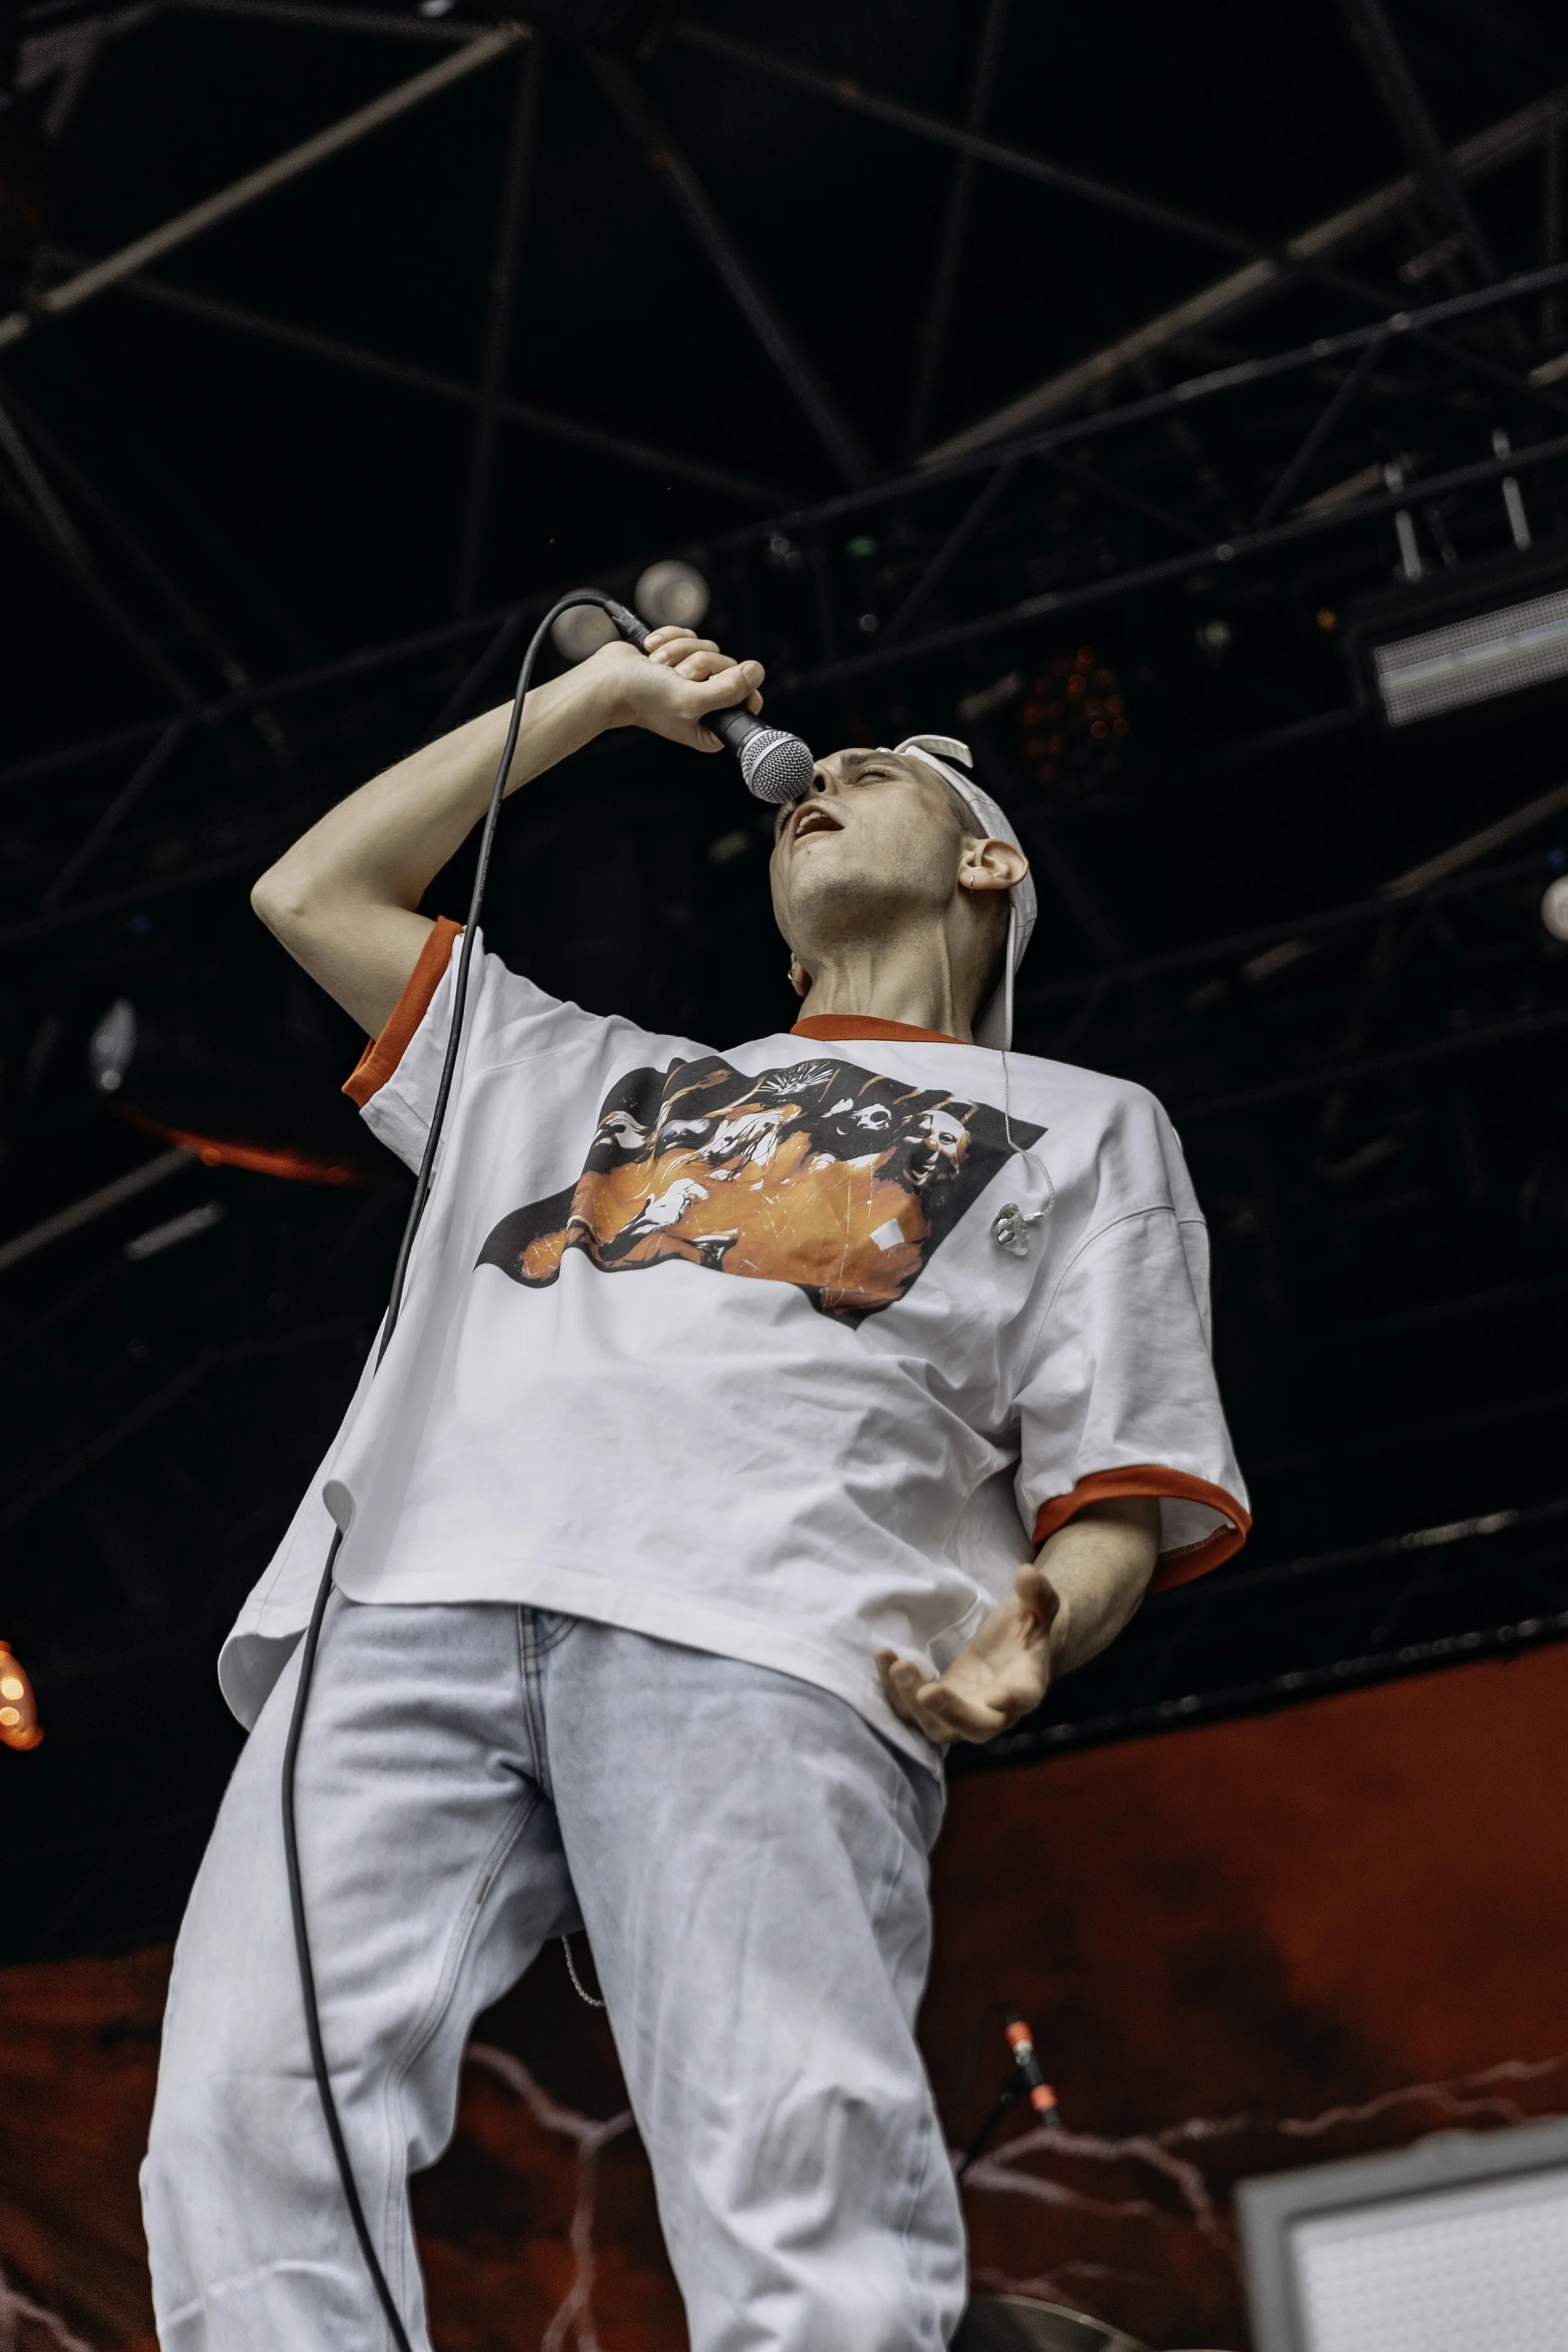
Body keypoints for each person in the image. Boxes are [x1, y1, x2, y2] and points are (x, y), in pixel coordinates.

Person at [141, 625, 1249, 2351]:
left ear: (986, 859)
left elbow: (1116, 1478)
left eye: (875, 772)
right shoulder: (585, 1073)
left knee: (792, 2153)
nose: (820, 779)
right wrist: (587, 706)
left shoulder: (1082, 1125)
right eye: (812, 776)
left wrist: (1044, 1624)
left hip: (769, 1621)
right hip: (416, 1592)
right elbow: (311, 894)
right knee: (241, 2095)